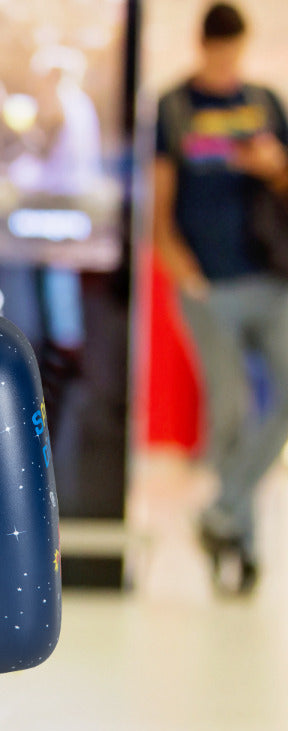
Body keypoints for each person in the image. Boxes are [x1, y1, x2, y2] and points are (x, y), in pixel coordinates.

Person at [153, 2, 288, 594]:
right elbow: (160, 198)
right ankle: (242, 545)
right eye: (219, 50)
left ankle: (223, 513)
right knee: (231, 412)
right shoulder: (176, 106)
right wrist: (180, 266)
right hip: (209, 285)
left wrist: (275, 167)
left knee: (278, 405)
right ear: (203, 46)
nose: (226, 61)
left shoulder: (265, 102)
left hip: (270, 278)